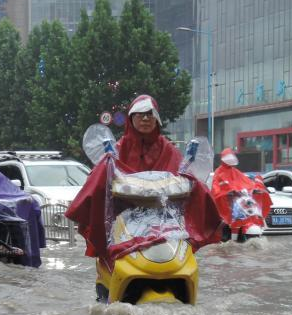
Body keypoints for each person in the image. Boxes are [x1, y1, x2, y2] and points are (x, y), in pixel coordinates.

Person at [65, 94, 221, 264]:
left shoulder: (169, 150)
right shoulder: (117, 150)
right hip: (124, 224)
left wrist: (212, 214)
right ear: (131, 118)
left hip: (166, 225)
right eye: (140, 114)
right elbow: (99, 180)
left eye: (150, 114)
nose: (146, 119)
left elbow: (188, 178)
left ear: (157, 119)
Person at [210, 148, 271, 241]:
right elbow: (216, 187)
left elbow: (246, 182)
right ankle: (230, 240)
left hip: (239, 200)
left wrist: (255, 188)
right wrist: (225, 191)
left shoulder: (235, 171)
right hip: (227, 202)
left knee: (250, 209)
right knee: (230, 220)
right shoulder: (219, 172)